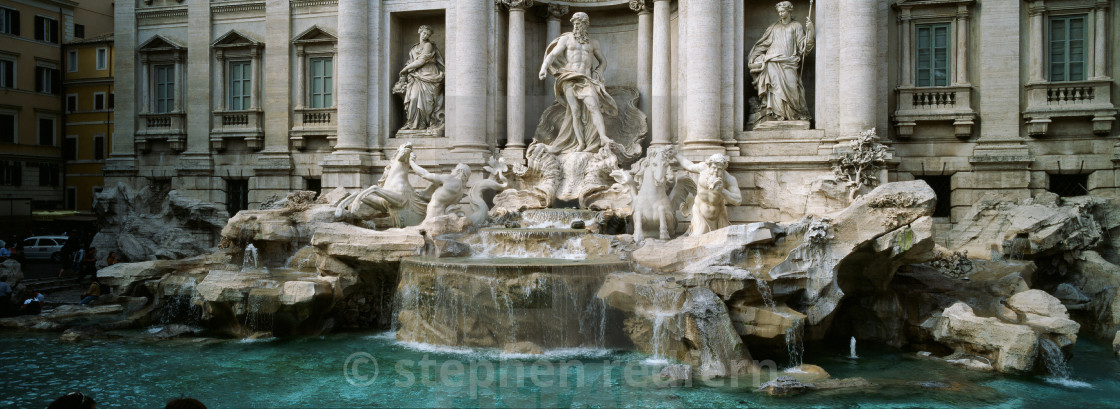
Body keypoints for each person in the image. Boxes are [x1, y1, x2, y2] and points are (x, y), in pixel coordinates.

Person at [538, 11, 618, 153]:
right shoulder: (567, 39)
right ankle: (580, 143)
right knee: (575, 111)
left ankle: (603, 137)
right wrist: (544, 68)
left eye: (580, 23)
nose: (577, 26)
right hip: (568, 77)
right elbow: (553, 54)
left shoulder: (593, 43)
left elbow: (603, 61)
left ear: (586, 25)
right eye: (575, 23)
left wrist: (598, 71)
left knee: (593, 106)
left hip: (586, 79)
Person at [748, 1, 815, 123]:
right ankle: (776, 115)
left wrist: (810, 31)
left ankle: (793, 114)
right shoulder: (773, 27)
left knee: (792, 88)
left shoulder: (796, 26)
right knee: (774, 89)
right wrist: (754, 56)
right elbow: (763, 44)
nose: (780, 13)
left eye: (783, 11)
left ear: (789, 11)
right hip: (772, 61)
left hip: (789, 62)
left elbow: (804, 47)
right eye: (779, 12)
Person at [676, 152, 742, 236]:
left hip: (719, 216)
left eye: (719, 169)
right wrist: (676, 155)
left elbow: (738, 200)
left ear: (724, 169)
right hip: (699, 213)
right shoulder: (703, 168)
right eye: (714, 168)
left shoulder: (728, 179)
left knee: (723, 240)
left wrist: (722, 191)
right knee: (698, 237)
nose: (716, 171)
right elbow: (689, 165)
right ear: (709, 165)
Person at [394, 25, 445, 132]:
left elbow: (421, 61)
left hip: (428, 73)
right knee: (413, 98)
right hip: (416, 75)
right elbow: (412, 61)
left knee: (427, 101)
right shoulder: (413, 48)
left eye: (428, 34)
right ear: (419, 31)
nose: (425, 36)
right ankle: (412, 123)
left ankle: (423, 124)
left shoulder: (428, 45)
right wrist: (408, 68)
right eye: (424, 33)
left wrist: (406, 69)